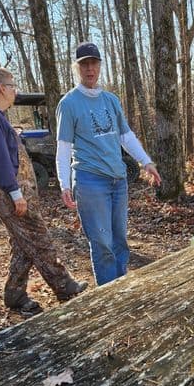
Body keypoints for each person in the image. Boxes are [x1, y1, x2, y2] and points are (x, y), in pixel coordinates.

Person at [0, 66, 86, 315]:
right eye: (13, 86)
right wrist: (15, 193)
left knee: (22, 244)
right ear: (1, 88)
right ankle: (65, 286)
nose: (16, 91)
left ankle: (14, 294)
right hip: (8, 193)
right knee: (39, 238)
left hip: (15, 191)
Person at [55, 42, 161, 286]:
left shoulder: (111, 100)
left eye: (93, 63)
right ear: (77, 68)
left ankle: (120, 287)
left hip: (118, 179)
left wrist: (146, 162)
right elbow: (63, 148)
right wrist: (64, 184)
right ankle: (107, 294)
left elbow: (125, 136)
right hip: (90, 180)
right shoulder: (69, 103)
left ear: (100, 66)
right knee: (102, 242)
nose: (89, 69)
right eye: (84, 65)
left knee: (120, 239)